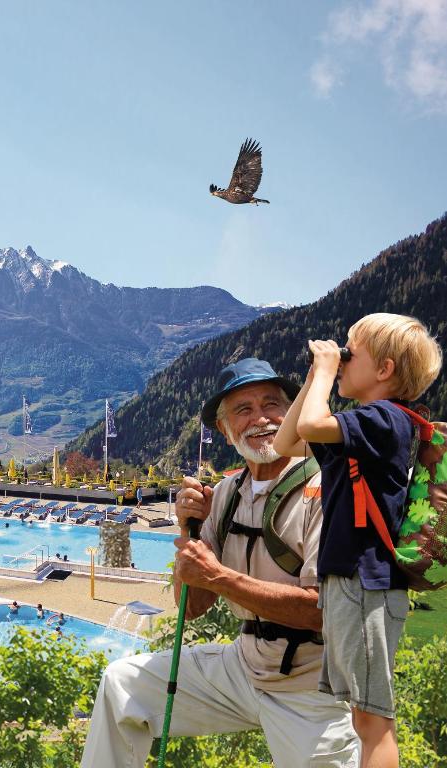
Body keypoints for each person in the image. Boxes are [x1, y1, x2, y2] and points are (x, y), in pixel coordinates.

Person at [80, 358, 358, 768]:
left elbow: (324, 610)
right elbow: (191, 607)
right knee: (122, 686)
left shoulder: (328, 487)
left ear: (293, 414)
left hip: (311, 686)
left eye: (272, 405)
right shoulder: (226, 493)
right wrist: (188, 531)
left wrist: (218, 574)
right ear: (226, 432)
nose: (261, 418)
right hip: (243, 668)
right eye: (243, 410)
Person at [274, 315, 442, 768]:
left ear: (384, 370)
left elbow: (309, 428)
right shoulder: (362, 426)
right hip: (349, 582)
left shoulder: (385, 421)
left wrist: (326, 372)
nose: (341, 357)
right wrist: (315, 379)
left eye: (350, 352)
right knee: (361, 716)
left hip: (367, 583)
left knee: (373, 720)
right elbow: (288, 441)